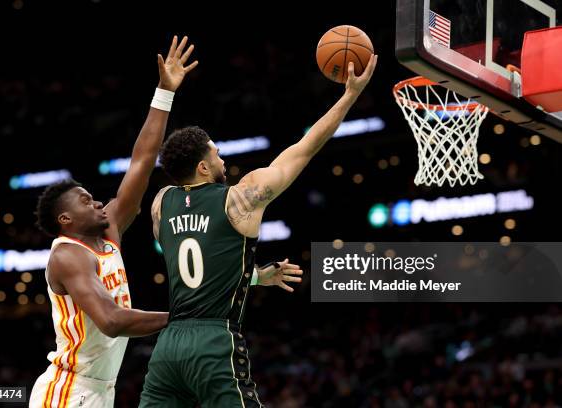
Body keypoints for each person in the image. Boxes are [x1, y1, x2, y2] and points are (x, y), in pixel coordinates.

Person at [139, 54, 378, 407]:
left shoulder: (161, 204)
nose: (223, 159)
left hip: (168, 346)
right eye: (217, 155)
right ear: (204, 167)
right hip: (213, 340)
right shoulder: (240, 199)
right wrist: (350, 96)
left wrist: (252, 277)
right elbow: (303, 150)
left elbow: (195, 267)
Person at [29, 35, 198, 408]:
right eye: (88, 200)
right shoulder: (68, 255)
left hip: (102, 389)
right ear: (66, 218)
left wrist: (164, 93)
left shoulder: (108, 231)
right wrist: (185, 315)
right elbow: (110, 319)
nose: (100, 202)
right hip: (68, 389)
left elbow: (142, 160)